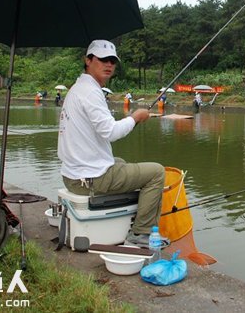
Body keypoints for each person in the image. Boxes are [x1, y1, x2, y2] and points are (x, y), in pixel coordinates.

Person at [57, 39, 168, 248]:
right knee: (156, 173)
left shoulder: (78, 88)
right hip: (89, 180)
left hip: (72, 175)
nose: (109, 65)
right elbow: (110, 132)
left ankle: (134, 217)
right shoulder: (91, 91)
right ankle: (141, 232)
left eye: (112, 61)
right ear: (88, 60)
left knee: (119, 161)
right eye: (103, 59)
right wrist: (135, 117)